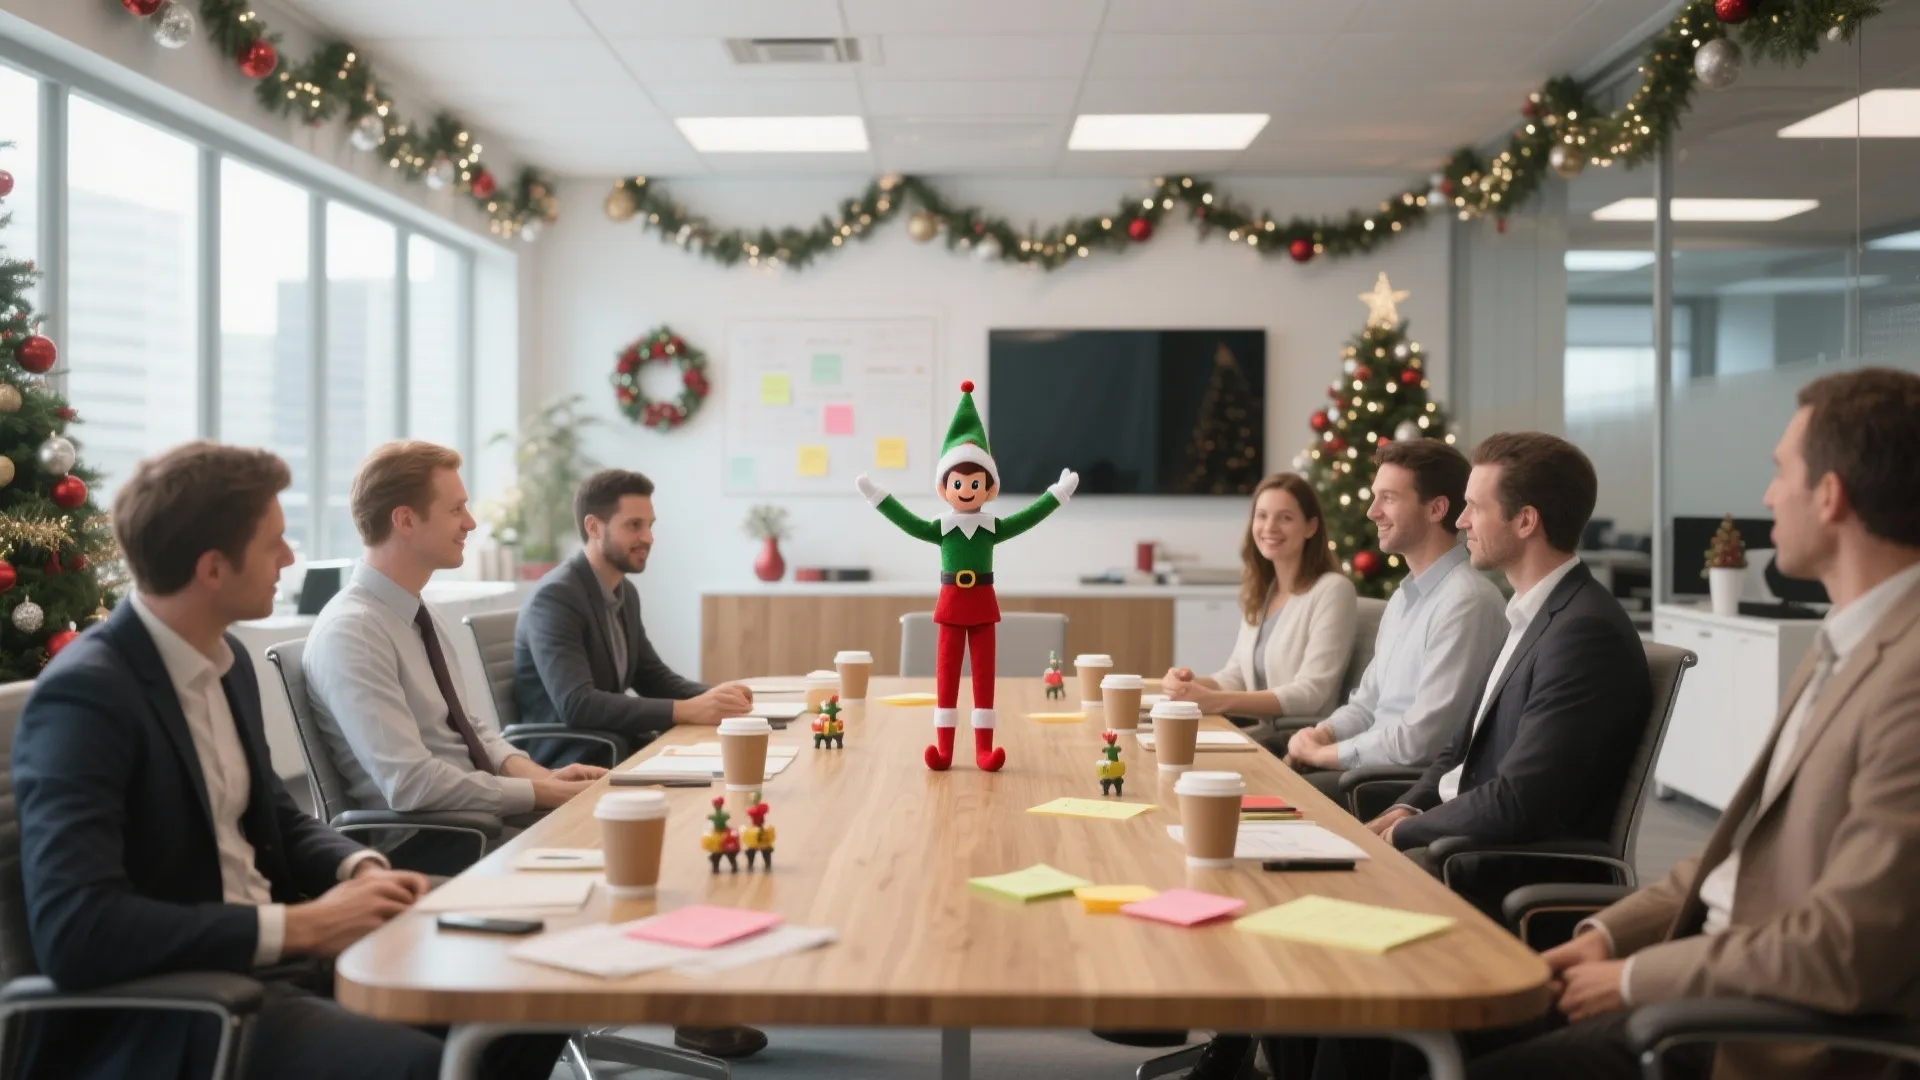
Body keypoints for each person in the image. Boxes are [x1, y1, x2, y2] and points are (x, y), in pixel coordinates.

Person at [12, 442, 559, 1080]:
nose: (290, 558)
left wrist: (358, 865)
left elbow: (274, 812)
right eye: (274, 542)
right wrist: (296, 927)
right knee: (419, 1067)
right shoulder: (88, 696)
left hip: (281, 961)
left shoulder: (226, 661)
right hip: (190, 1004)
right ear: (214, 569)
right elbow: (77, 931)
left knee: (535, 978)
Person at [1469, 368, 1920, 1080]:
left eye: (1780, 473)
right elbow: (1741, 861)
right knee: (1433, 1031)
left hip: (1752, 1036)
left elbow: (1846, 947)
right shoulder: (1844, 642)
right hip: (1699, 979)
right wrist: (1609, 933)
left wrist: (1634, 977)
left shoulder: (1909, 677)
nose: (1767, 494)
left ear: (1831, 496)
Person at [305, 441, 605, 877]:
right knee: (602, 855)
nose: (471, 522)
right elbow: (410, 786)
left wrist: (543, 779)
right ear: (405, 520)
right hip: (429, 840)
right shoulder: (354, 631)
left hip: (477, 820)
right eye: (456, 510)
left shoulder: (418, 614)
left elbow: (471, 731)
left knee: (617, 827)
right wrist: (537, 794)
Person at [1368, 432, 1650, 892]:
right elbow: (1459, 752)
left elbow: (1519, 799)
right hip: (1459, 845)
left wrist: (1402, 833)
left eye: (1474, 508)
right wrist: (1405, 809)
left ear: (1525, 521)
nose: (1461, 523)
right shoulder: (1532, 610)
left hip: (1499, 868)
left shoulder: (1583, 633)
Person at [1284, 441, 1506, 799]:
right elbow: (1367, 703)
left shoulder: (1467, 602)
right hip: (1371, 772)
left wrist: (1326, 754)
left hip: (1404, 788)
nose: (1372, 512)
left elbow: (1421, 742)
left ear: (1436, 508)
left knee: (1281, 794)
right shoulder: (1404, 597)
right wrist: (1323, 733)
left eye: (1388, 498)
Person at [515, 468, 753, 768]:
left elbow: (651, 677)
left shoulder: (623, 591)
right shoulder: (556, 598)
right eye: (634, 525)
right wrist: (685, 710)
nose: (648, 537)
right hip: (574, 759)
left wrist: (718, 697)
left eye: (650, 525)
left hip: (617, 746)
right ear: (593, 527)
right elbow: (577, 704)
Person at [1164, 472, 1357, 721]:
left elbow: (1311, 693)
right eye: (1262, 516)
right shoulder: (1264, 591)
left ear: (1311, 527)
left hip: (1295, 741)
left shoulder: (1332, 590)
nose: (1269, 527)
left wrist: (1215, 701)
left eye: (1285, 518)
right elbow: (1236, 675)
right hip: (1256, 732)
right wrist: (1191, 684)